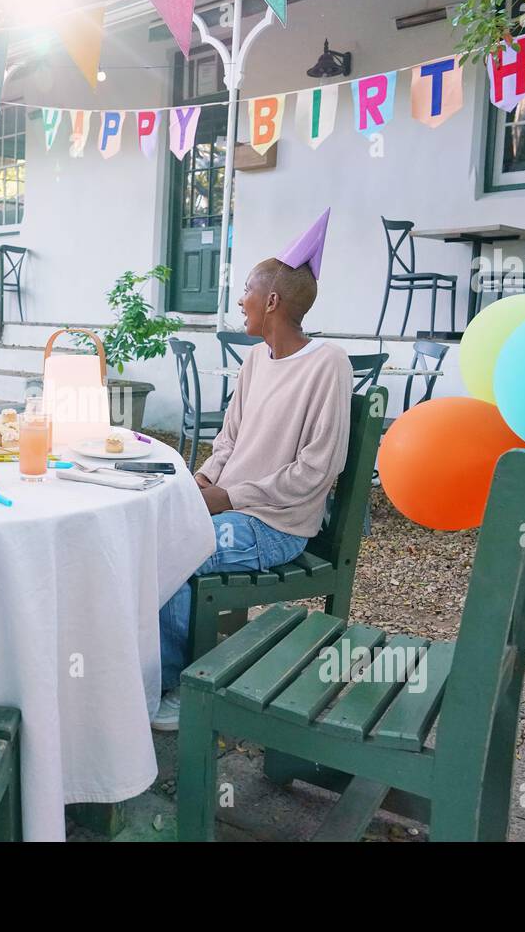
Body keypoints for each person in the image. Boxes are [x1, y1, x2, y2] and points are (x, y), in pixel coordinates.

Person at [153, 210, 351, 731]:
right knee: (152, 533)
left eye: (245, 291)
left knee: (179, 549)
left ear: (271, 301)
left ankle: (176, 686)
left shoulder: (327, 364)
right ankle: (154, 671)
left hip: (278, 526)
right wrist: (200, 480)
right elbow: (229, 442)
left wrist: (231, 497)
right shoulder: (256, 361)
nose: (239, 301)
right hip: (235, 510)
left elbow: (319, 468)